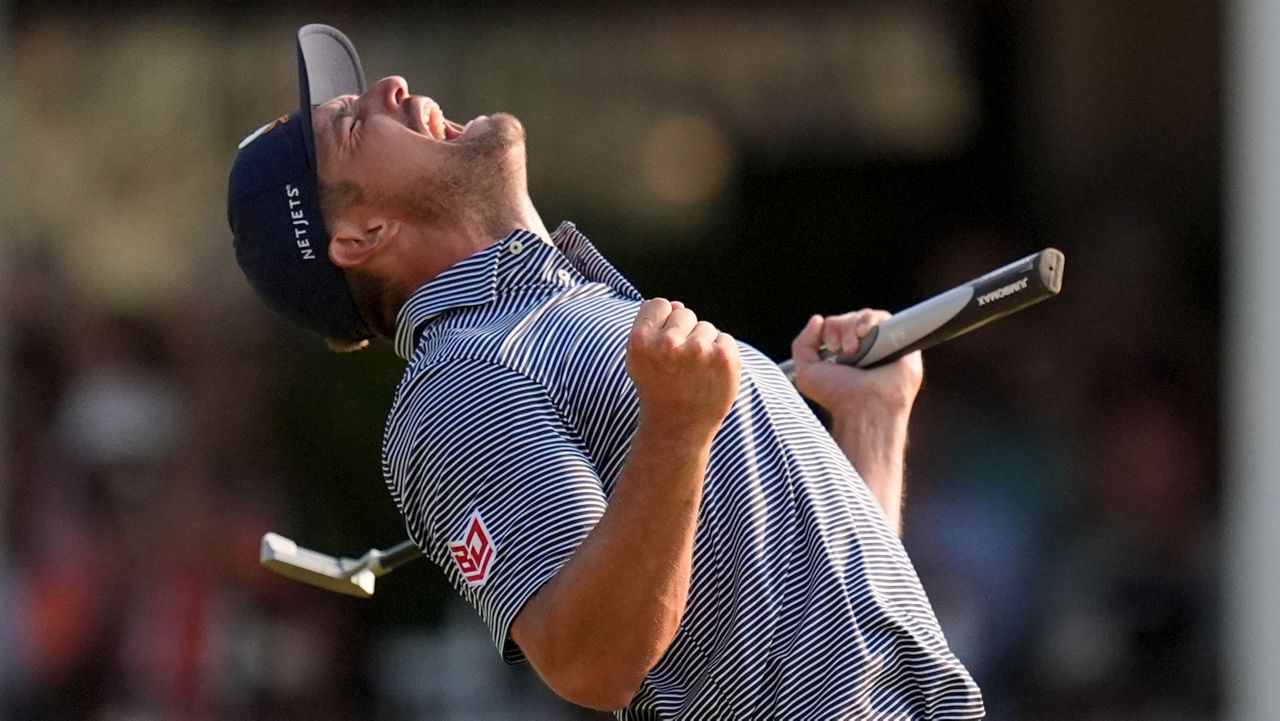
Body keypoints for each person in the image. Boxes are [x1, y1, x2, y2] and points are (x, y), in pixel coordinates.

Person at [227, 24, 984, 720]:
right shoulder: (459, 382)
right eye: (356, 126)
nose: (391, 87)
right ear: (363, 235)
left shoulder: (576, 314)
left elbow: (819, 628)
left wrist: (870, 425)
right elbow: (590, 661)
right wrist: (678, 429)